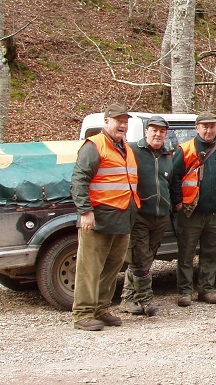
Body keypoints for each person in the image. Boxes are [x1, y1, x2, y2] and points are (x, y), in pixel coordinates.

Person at [70, 103, 140, 331]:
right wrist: (86, 212)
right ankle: (82, 313)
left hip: (122, 219)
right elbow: (79, 181)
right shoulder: (94, 146)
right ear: (107, 122)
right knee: (89, 268)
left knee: (111, 268)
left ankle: (100, 308)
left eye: (125, 121)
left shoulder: (126, 148)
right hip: (98, 219)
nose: (122, 125)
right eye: (118, 120)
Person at [171, 112, 216, 306]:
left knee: (213, 253)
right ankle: (185, 292)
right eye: (205, 126)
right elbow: (173, 178)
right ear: (197, 128)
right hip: (191, 211)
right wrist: (178, 202)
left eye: (212, 127)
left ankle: (206, 289)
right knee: (186, 253)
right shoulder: (185, 150)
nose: (209, 130)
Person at [120, 115, 172, 317]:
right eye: (154, 130)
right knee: (140, 259)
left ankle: (127, 298)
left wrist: (173, 205)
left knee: (145, 259)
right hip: (139, 215)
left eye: (162, 131)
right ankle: (146, 298)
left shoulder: (168, 156)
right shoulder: (132, 150)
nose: (158, 134)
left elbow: (171, 184)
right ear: (146, 131)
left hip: (160, 216)